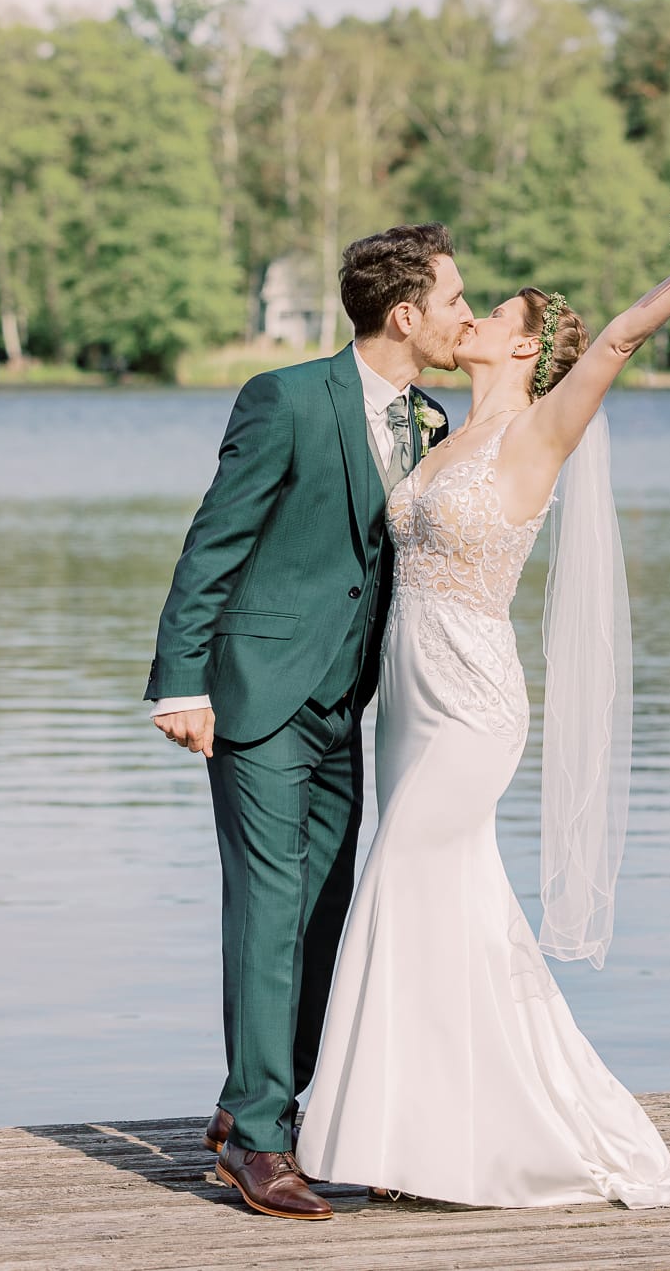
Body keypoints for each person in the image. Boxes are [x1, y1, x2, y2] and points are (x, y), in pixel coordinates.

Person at [296, 206, 670, 1208]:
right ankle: (418, 1138)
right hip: (408, 704)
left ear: (523, 346)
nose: (463, 316)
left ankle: (416, 1136)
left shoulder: (536, 434)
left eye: (487, 308)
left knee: (401, 879)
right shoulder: (438, 432)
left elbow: (619, 339)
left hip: (473, 705)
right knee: (448, 904)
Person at [145, 223, 470, 1221]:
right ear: (403, 313)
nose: (464, 314)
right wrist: (180, 684)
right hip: (258, 692)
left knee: (328, 910)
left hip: (347, 703)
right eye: (455, 298)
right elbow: (215, 543)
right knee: (270, 905)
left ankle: (257, 1105)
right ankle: (257, 1142)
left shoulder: (431, 418)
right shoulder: (284, 399)